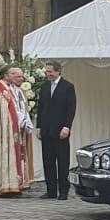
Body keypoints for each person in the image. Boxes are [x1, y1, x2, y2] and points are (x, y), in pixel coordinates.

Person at [0, 67, 35, 197]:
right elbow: (3, 113)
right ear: (8, 75)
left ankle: (14, 183)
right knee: (6, 153)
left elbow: (19, 107)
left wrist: (24, 120)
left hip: (16, 127)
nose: (20, 79)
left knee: (17, 155)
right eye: (17, 76)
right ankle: (4, 184)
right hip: (6, 130)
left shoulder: (13, 89)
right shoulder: (1, 90)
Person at [36, 61, 76, 200]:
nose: (48, 74)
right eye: (46, 71)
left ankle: (63, 191)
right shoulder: (44, 86)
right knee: (48, 161)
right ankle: (51, 190)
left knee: (62, 161)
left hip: (61, 131)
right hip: (46, 130)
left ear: (58, 71)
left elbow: (71, 109)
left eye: (50, 71)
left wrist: (67, 127)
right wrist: (39, 127)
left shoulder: (68, 87)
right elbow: (40, 108)